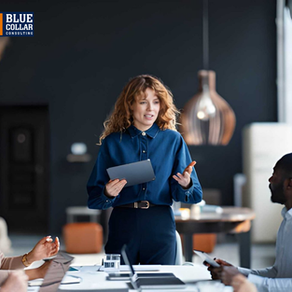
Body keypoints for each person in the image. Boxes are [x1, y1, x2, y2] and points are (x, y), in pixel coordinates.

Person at [87, 74, 202, 265]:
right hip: (122, 224)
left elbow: (196, 195)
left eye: (156, 102)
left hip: (160, 224)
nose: (151, 108)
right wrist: (107, 193)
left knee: (160, 284)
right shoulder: (113, 143)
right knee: (120, 283)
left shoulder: (173, 140)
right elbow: (94, 200)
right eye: (143, 102)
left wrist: (186, 184)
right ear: (130, 105)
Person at [206, 153, 292, 292]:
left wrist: (243, 280)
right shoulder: (287, 220)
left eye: (275, 175)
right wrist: (236, 272)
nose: (270, 179)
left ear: (289, 184)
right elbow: (278, 273)